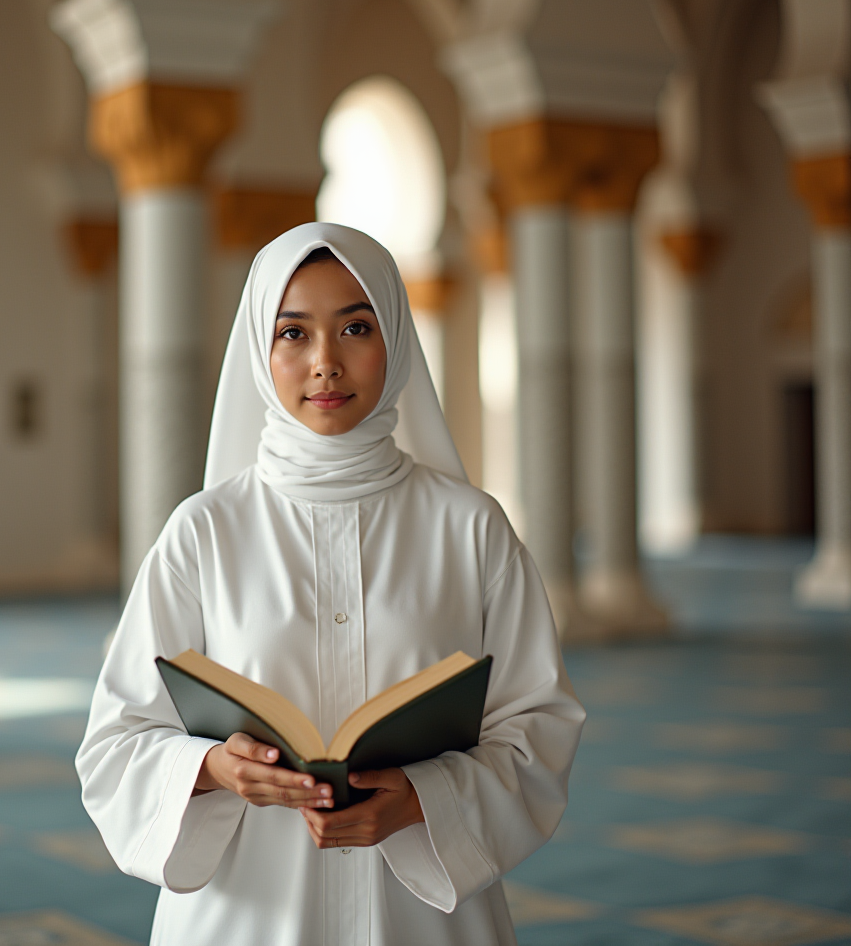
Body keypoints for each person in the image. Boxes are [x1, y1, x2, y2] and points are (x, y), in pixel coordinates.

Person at [77, 222, 585, 946]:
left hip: (427, 919)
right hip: (247, 913)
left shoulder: (470, 529)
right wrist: (213, 769)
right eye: (293, 333)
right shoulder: (204, 532)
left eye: (355, 326)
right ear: (261, 347)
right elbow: (115, 741)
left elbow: (539, 724)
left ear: (397, 339)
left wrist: (421, 800)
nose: (325, 363)